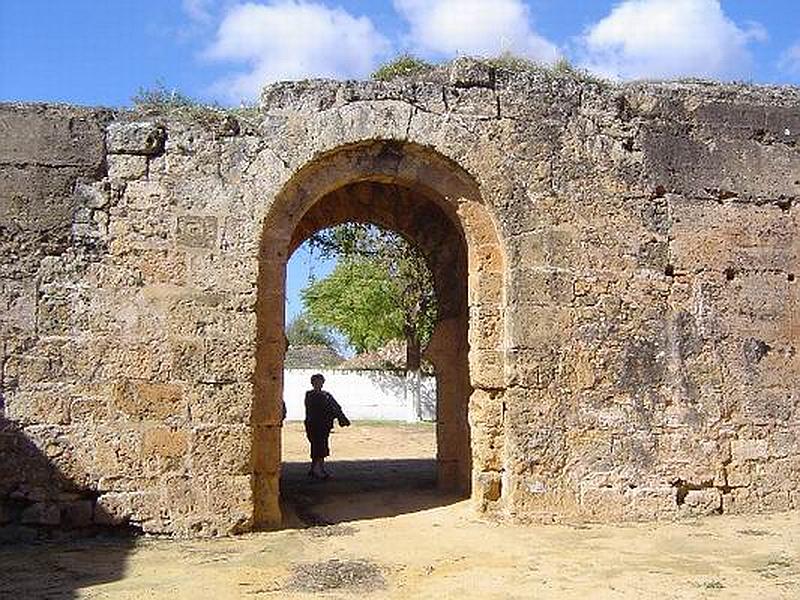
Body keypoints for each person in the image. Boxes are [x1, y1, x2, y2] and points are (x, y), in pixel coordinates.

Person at [304, 373, 350, 479]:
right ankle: (319, 469)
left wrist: (340, 417)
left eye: (320, 382)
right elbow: (319, 409)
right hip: (314, 425)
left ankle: (315, 468)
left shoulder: (327, 395)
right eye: (316, 382)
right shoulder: (310, 395)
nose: (319, 384)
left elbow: (336, 407)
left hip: (324, 425)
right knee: (318, 446)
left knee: (320, 446)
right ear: (312, 383)